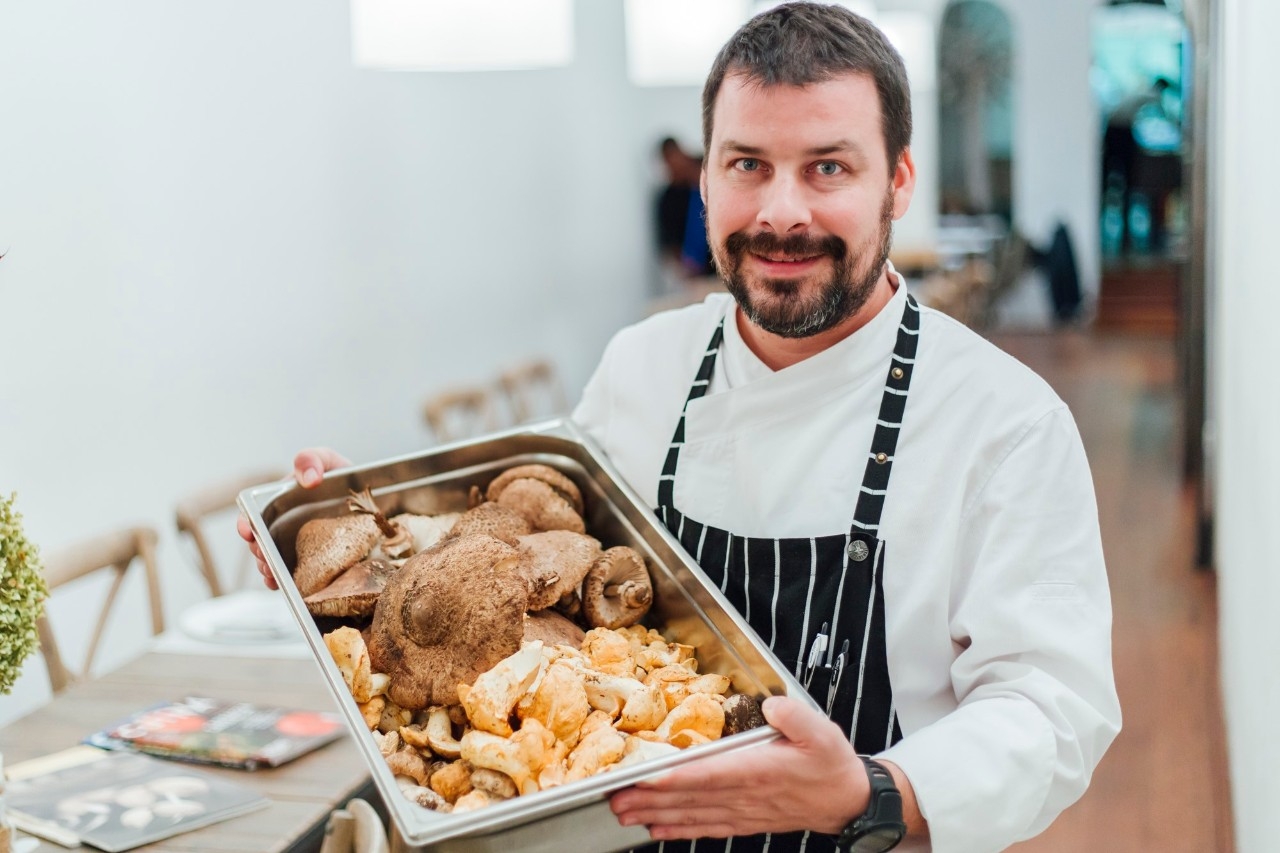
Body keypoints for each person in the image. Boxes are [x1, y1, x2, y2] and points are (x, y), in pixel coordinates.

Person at [241, 5, 1120, 851]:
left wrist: (870, 790)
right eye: (746, 165)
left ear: (897, 180)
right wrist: (384, 550)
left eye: (828, 168)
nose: (782, 213)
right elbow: (543, 565)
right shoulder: (644, 366)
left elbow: (1051, 709)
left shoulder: (1006, 423)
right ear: (704, 178)